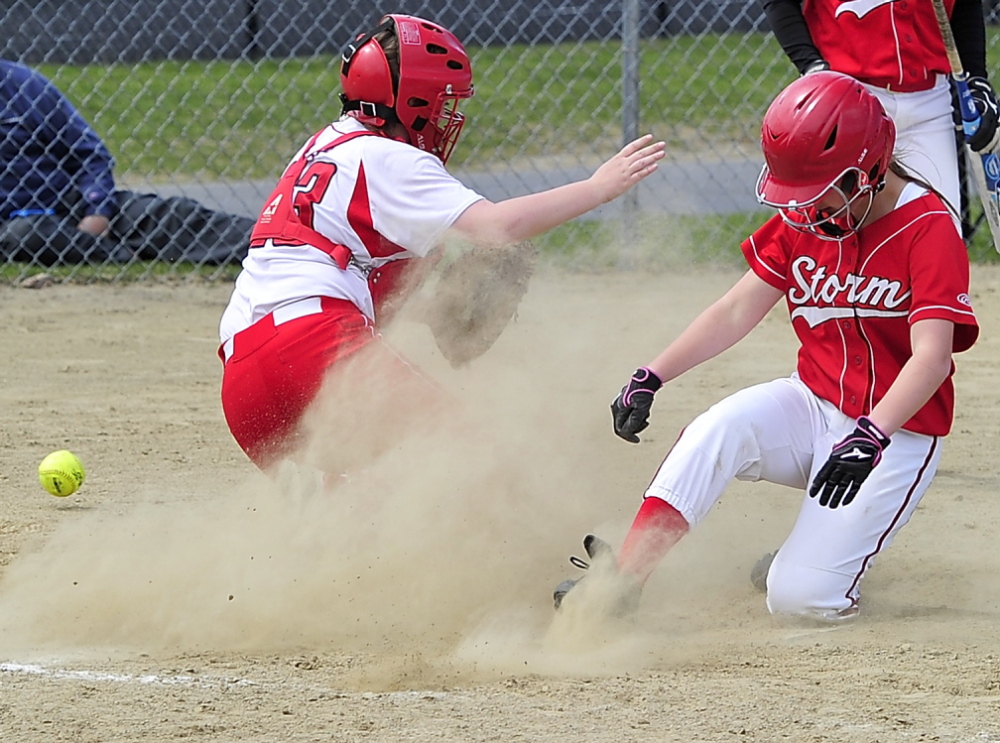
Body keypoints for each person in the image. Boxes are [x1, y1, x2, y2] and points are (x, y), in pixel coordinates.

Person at [554, 72, 979, 622]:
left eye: (819, 187)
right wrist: (652, 375)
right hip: (814, 404)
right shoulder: (809, 219)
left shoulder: (927, 227)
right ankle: (623, 581)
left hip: (894, 437)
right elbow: (735, 309)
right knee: (715, 430)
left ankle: (821, 563)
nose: (804, 206)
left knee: (801, 601)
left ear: (868, 170)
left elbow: (932, 358)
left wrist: (873, 435)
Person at [218, 13, 666, 471]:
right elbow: (495, 228)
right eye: (441, 101)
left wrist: (434, 311)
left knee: (361, 510)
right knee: (470, 465)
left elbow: (344, 270)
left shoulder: (322, 147)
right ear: (411, 100)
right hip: (314, 349)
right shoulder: (391, 157)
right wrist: (597, 188)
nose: (447, 115)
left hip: (243, 385)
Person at [761, 0, 1000, 235]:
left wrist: (975, 77)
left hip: (932, 101)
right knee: (840, 233)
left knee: (941, 232)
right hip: (849, 101)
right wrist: (810, 65)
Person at [0, 60, 255, 267]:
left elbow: (90, 154)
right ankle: (119, 256)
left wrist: (97, 210)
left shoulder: (22, 84)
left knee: (172, 215)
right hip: (13, 226)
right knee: (25, 235)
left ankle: (277, 247)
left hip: (69, 203)